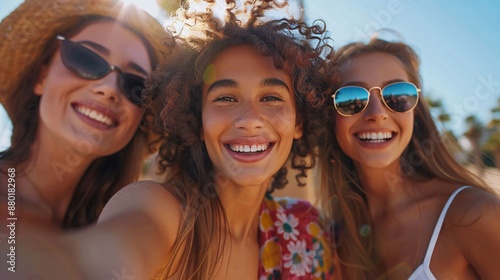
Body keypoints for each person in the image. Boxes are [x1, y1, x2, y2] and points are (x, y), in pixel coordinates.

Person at [3, 1, 336, 279]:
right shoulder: (163, 209)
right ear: (197, 119)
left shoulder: (308, 232)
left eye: (272, 98)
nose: (249, 119)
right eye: (224, 98)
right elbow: (105, 254)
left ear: (300, 121)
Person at [319, 37, 500, 279]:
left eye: (396, 95)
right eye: (351, 98)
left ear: (416, 111)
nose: (377, 113)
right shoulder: (336, 240)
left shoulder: (476, 214)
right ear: (330, 116)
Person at [0, 0, 171, 229]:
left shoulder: (120, 234)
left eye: (136, 85)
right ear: (41, 77)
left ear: (143, 116)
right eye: (86, 59)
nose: (109, 89)